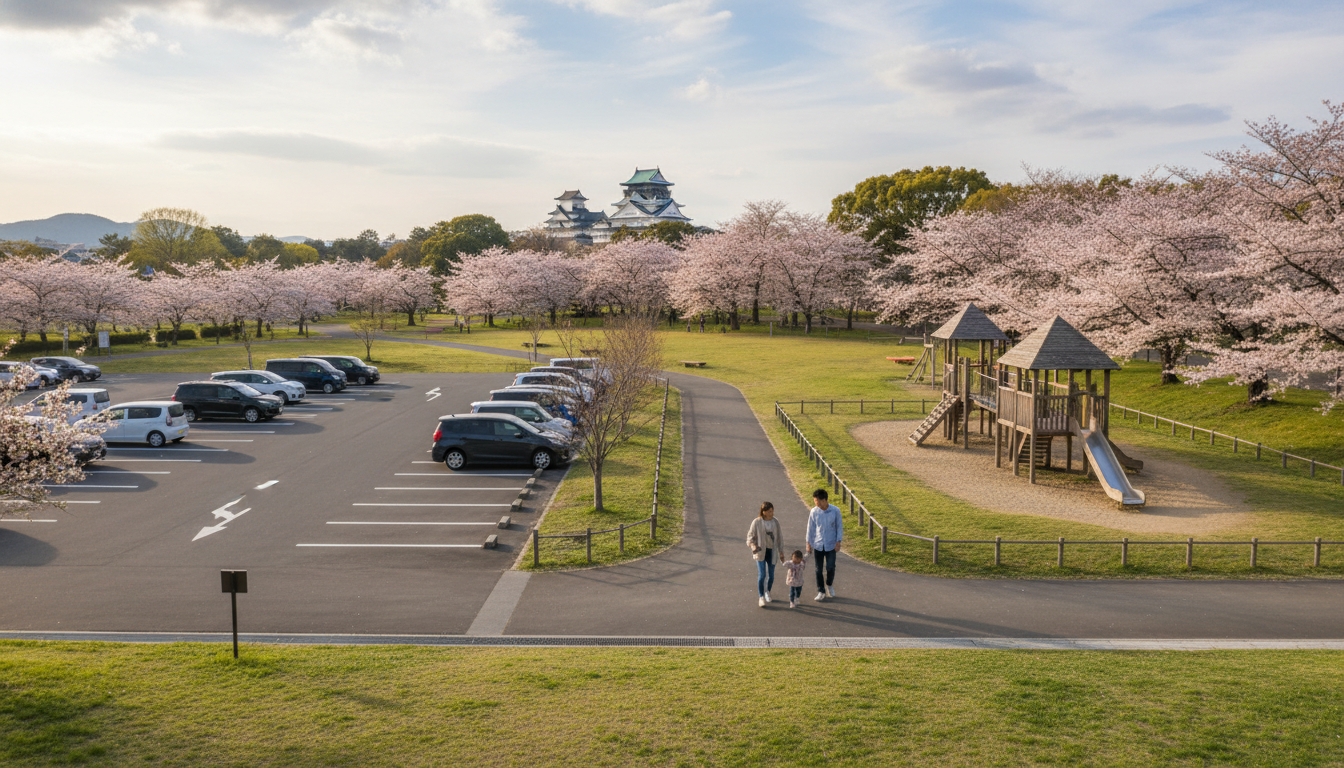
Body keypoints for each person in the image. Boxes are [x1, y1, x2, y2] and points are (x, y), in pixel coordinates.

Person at [805, 488, 843, 601]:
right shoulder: (814, 511)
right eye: (815, 502)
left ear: (825, 500)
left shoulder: (835, 511)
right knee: (818, 569)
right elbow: (810, 529)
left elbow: (839, 527)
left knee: (830, 567)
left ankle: (829, 584)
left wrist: (838, 541)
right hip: (818, 544)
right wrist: (808, 543)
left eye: (819, 502)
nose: (817, 505)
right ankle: (821, 591)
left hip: (831, 544)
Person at [746, 502, 784, 607]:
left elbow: (780, 537)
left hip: (772, 551)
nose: (772, 513)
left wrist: (781, 551)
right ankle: (761, 596)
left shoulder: (775, 522)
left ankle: (768, 591)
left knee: (771, 576)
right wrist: (753, 546)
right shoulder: (756, 522)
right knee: (762, 575)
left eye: (772, 511)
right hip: (761, 552)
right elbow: (749, 537)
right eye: (769, 511)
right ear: (764, 512)